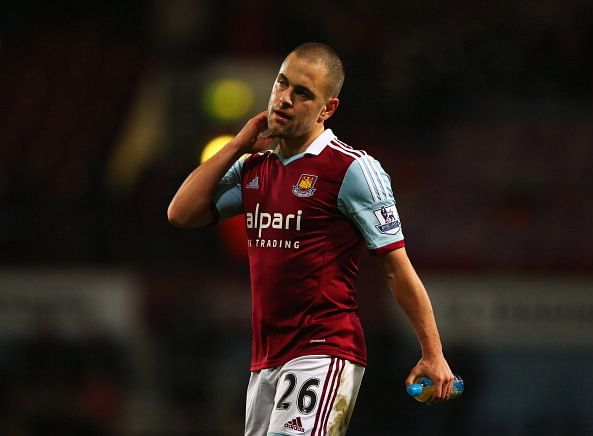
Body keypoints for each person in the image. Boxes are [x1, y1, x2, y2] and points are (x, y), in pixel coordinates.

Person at [168, 42, 454, 436]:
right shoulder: (255, 167)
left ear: (327, 109)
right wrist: (237, 144)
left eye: (302, 94)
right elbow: (180, 213)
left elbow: (395, 267)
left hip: (324, 350)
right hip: (266, 359)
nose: (284, 99)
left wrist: (433, 353)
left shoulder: (352, 169)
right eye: (281, 84)